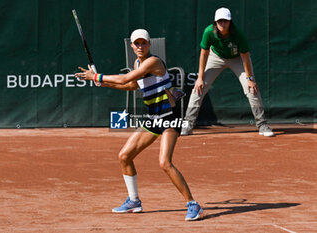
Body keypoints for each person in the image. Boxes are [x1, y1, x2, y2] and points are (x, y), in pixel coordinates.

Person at [75, 29, 204, 221]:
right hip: (153, 117)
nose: (140, 46)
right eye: (137, 43)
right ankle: (134, 202)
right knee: (125, 156)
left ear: (149, 44)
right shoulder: (137, 63)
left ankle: (193, 204)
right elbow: (131, 86)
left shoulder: (153, 62)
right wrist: (104, 84)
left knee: (164, 163)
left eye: (144, 43)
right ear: (132, 45)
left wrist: (97, 77)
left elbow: (126, 78)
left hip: (169, 116)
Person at [181, 7, 274, 137]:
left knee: (251, 89)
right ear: (215, 22)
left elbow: (245, 57)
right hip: (215, 57)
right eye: (220, 21)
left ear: (230, 22)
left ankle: (262, 125)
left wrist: (250, 78)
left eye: (225, 21)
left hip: (238, 59)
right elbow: (203, 54)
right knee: (198, 88)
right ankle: (188, 125)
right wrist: (200, 77)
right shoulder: (208, 32)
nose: (223, 24)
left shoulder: (238, 34)